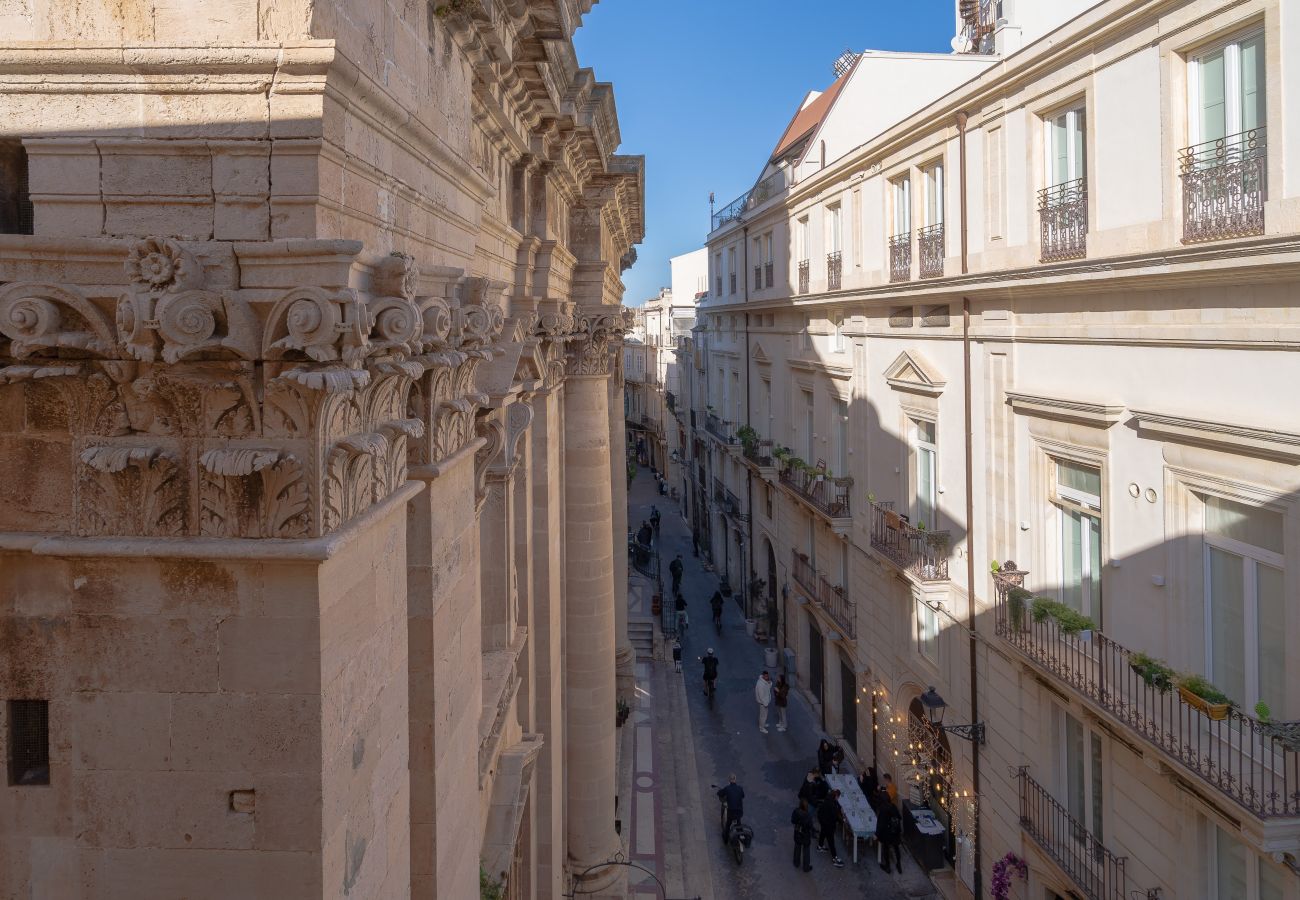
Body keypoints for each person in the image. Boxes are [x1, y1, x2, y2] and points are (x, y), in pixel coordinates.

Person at [817, 789, 846, 867]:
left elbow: (836, 806)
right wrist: (842, 820)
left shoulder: (829, 798)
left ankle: (820, 846)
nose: (838, 799)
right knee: (831, 841)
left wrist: (839, 808)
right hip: (828, 824)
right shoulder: (832, 804)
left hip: (822, 819)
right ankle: (835, 858)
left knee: (823, 832)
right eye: (838, 797)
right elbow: (835, 816)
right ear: (836, 796)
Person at [877, 798, 904, 873]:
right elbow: (899, 817)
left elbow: (881, 824)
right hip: (895, 832)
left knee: (886, 849)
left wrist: (877, 834)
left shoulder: (883, 809)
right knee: (896, 848)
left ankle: (887, 866)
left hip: (887, 834)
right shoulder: (893, 806)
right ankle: (898, 865)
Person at [716, 774, 745, 841]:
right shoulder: (740, 788)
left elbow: (720, 793)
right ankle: (741, 835)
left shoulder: (727, 788)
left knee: (728, 824)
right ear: (735, 780)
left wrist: (718, 792)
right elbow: (743, 796)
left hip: (731, 812)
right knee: (738, 821)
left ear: (729, 780)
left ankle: (725, 839)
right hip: (740, 812)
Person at [790, 799, 814, 872]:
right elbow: (810, 826)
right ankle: (806, 867)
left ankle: (796, 863)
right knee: (806, 851)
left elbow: (792, 821)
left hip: (797, 832)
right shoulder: (808, 816)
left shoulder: (796, 811)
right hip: (805, 834)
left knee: (797, 848)